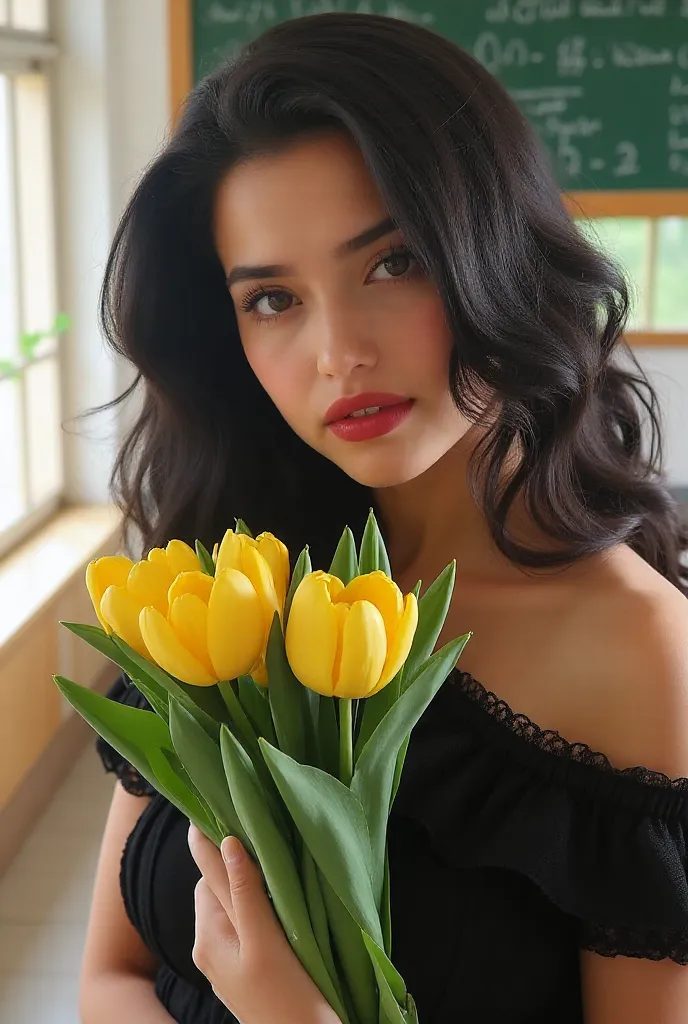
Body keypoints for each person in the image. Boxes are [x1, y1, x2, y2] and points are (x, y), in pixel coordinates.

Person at [78, 12, 688, 1024]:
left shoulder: (637, 653)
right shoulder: (231, 577)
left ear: (498, 253)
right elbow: (112, 977)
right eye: (272, 299)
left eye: (394, 262)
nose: (337, 354)